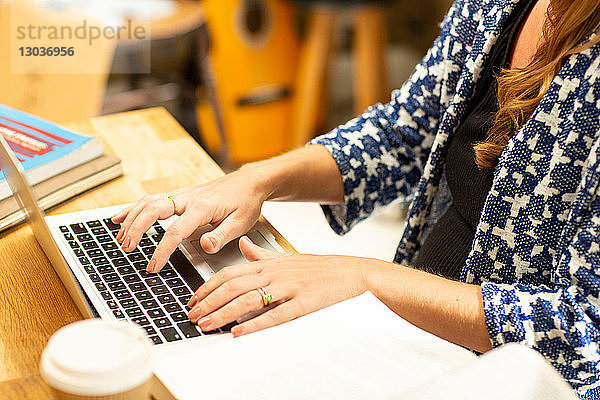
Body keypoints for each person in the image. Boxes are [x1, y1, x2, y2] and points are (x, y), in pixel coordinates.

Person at [112, 0, 600, 397]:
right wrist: (254, 180)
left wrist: (364, 278)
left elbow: (581, 330)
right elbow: (402, 133)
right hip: (410, 332)